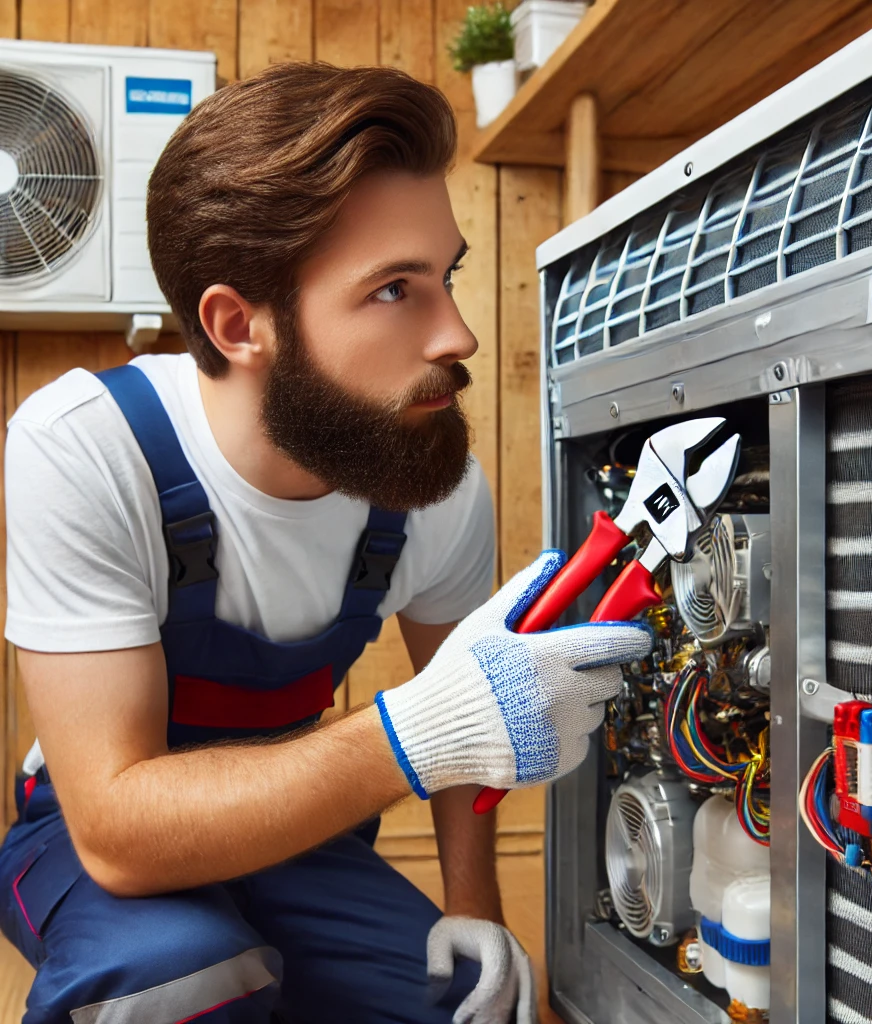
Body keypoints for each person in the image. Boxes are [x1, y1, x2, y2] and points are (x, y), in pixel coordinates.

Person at [0, 62, 652, 1024]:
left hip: (301, 832)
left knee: (462, 1006)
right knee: (181, 982)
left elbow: (473, 712)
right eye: (395, 290)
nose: (460, 335)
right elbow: (119, 831)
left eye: (448, 277)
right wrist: (417, 731)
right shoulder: (86, 446)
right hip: (92, 842)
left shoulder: (428, 480)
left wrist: (475, 912)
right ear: (237, 323)